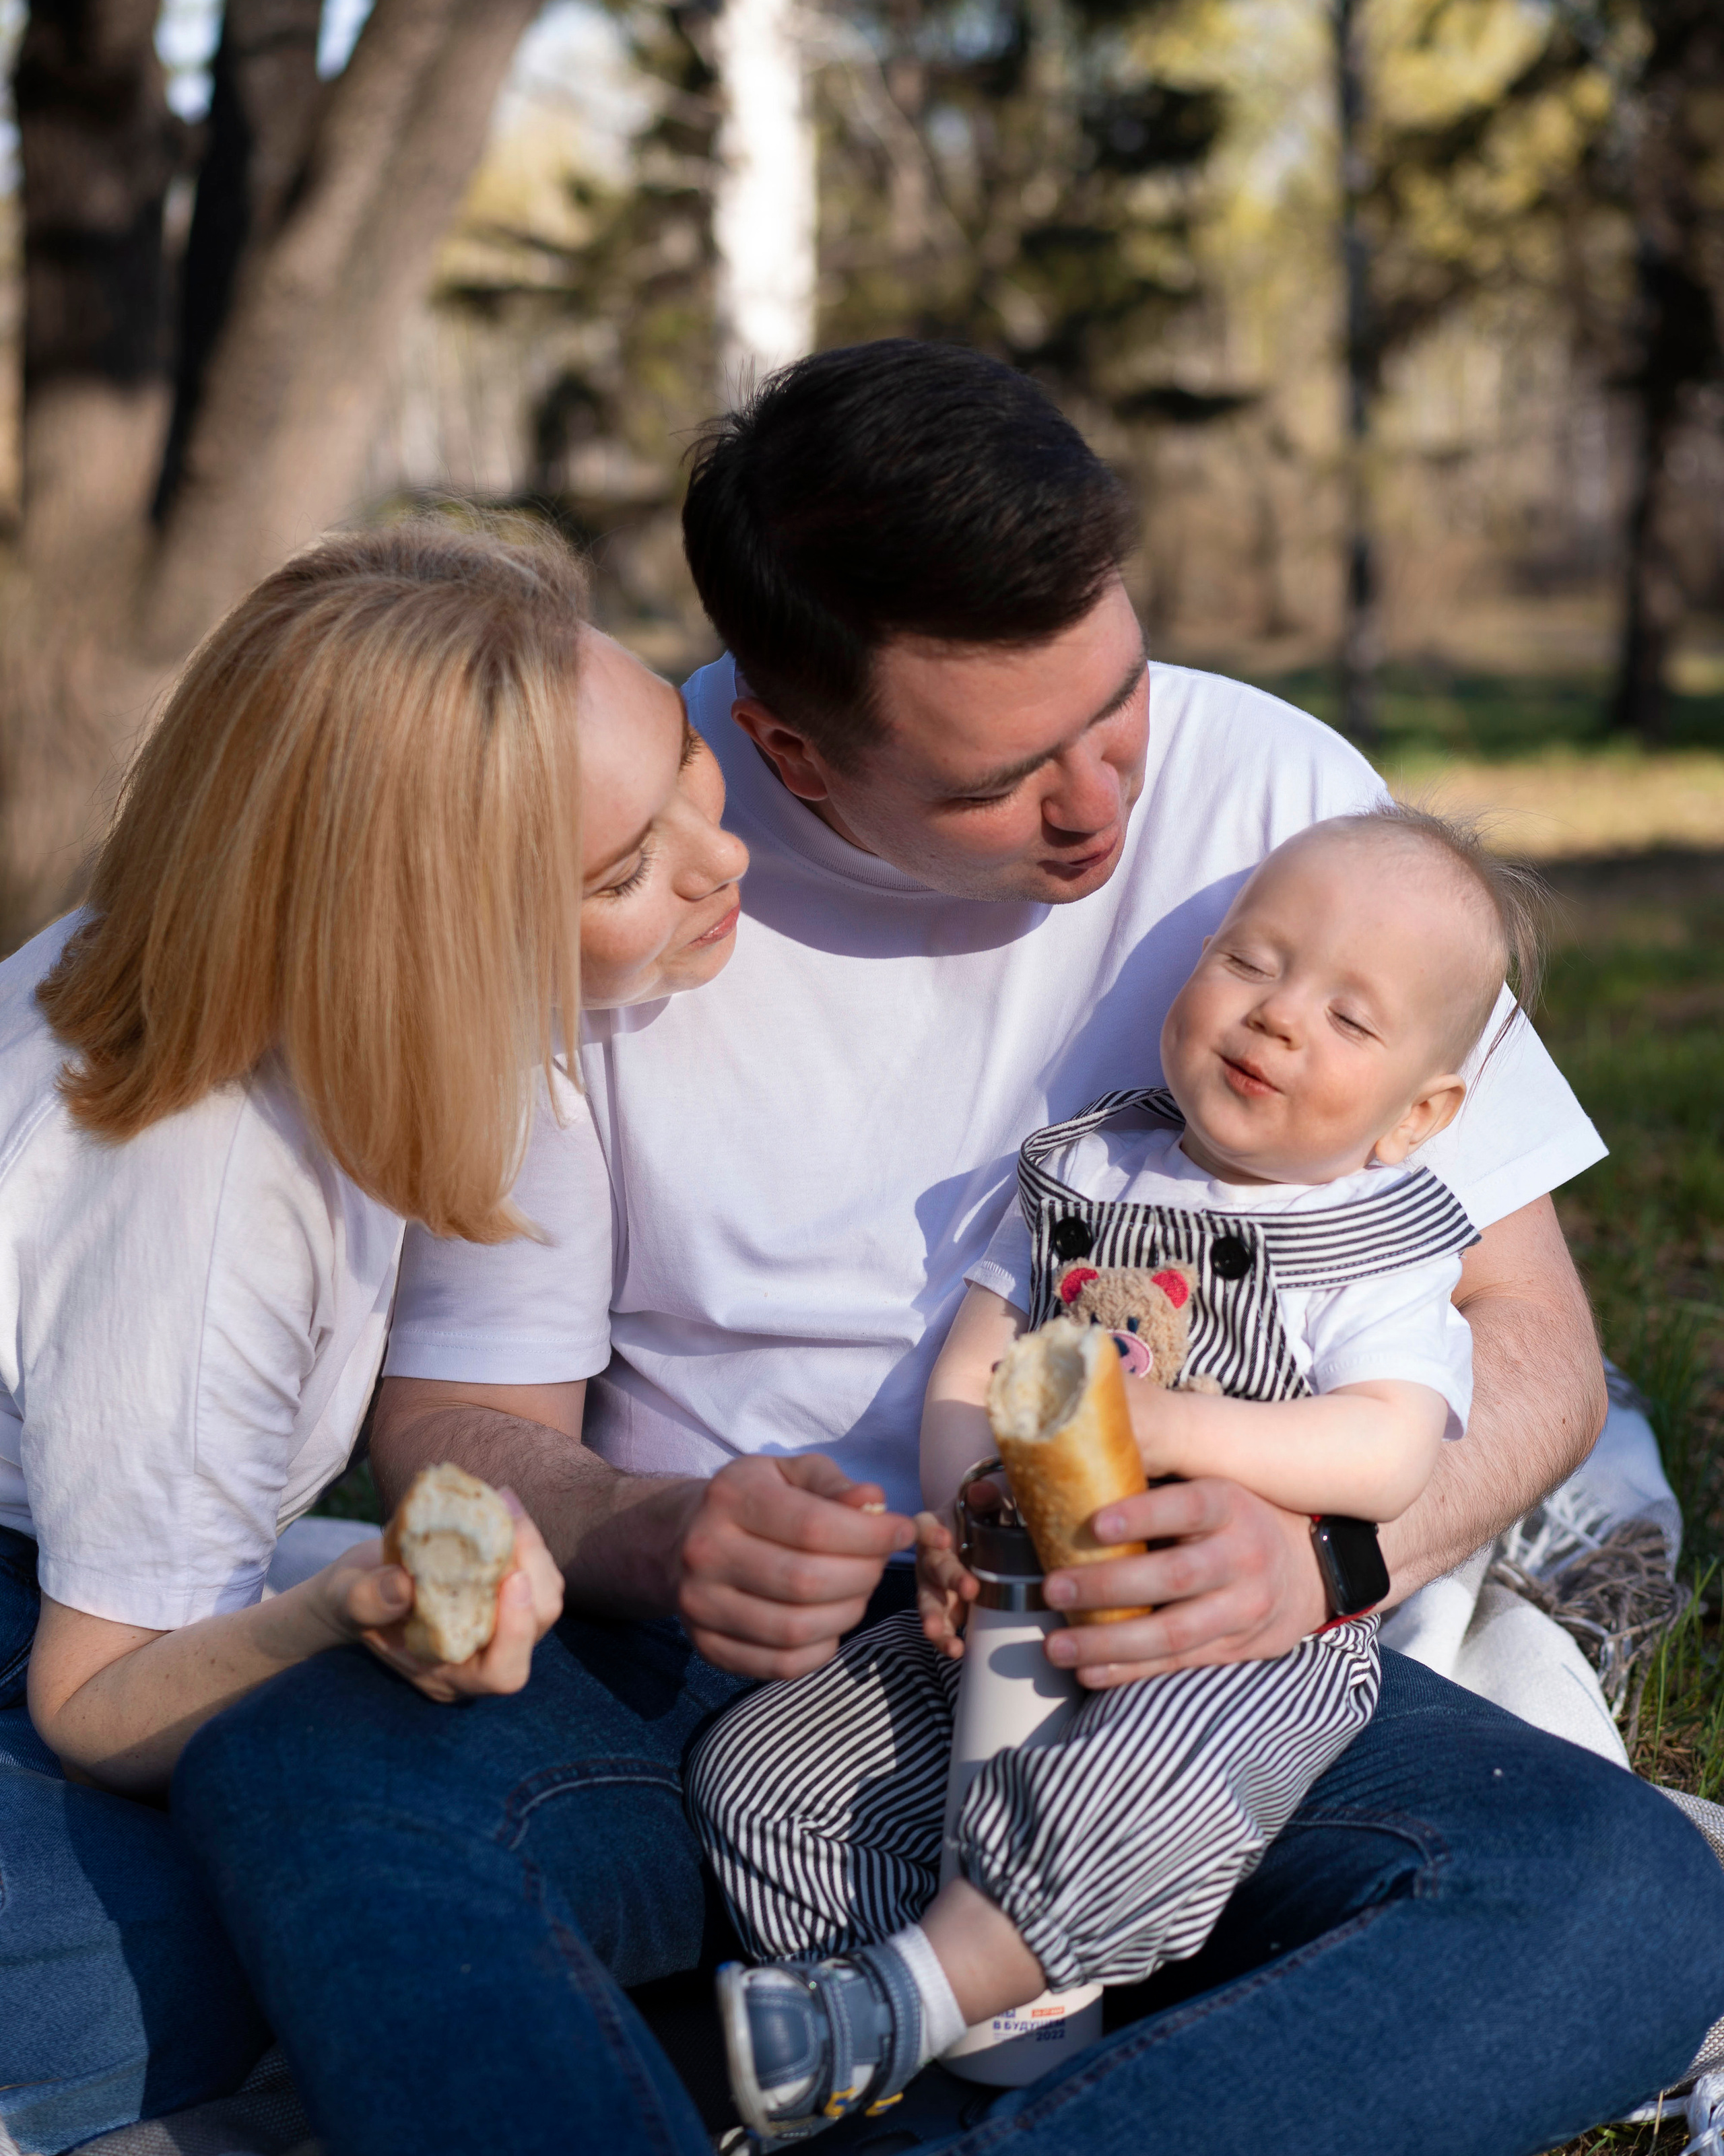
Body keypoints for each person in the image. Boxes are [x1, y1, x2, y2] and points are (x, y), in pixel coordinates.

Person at [174, 342, 1724, 2156]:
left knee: (1615, 1896)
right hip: (737, 1690)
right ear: (788, 748)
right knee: (315, 1762)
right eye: (1005, 775)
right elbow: (455, 1413)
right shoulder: (603, 859)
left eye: (1118, 703)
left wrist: (1332, 1550)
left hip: (1188, 1677)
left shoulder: (1289, 800)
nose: (1103, 803)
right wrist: (655, 1535)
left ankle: (850, 2064)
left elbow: (1527, 1338)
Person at [0, 519, 746, 2153]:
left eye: (690, 774)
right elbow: (100, 1691)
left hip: (113, 1577)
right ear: (417, 925)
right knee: (325, 1931)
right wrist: (345, 1603)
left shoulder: (454, 1024)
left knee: (509, 1874)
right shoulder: (195, 1190)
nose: (721, 858)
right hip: (61, 1632)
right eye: (623, 870)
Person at [693, 805, 1548, 2139]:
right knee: (764, 1769)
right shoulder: (1085, 1172)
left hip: (1231, 1639)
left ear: (1417, 1113)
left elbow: (1387, 1444)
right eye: (1250, 960)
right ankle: (878, 2020)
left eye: (1348, 1017)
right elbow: (972, 1374)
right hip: (1015, 1603)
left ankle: (912, 1991)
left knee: (1140, 1789)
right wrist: (970, 1516)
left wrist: (1179, 1429)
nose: (1274, 1018)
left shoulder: (1367, 1242)